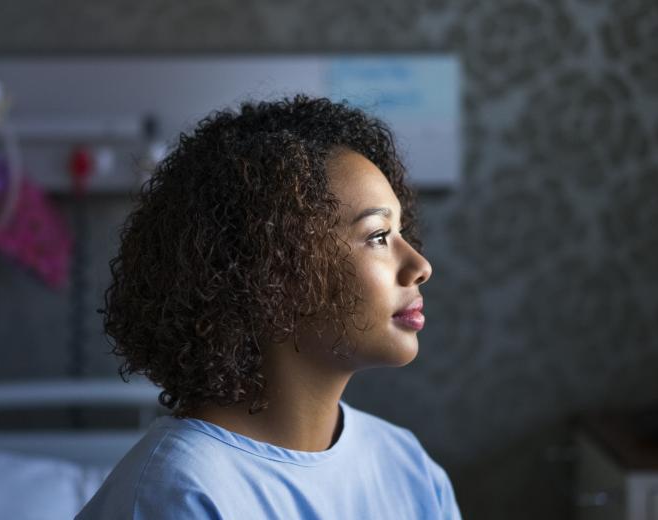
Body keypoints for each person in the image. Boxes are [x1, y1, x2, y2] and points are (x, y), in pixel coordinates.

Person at [78, 96, 461, 519]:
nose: (420, 266)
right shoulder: (179, 494)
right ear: (271, 268)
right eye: (377, 236)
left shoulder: (408, 468)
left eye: (401, 231)